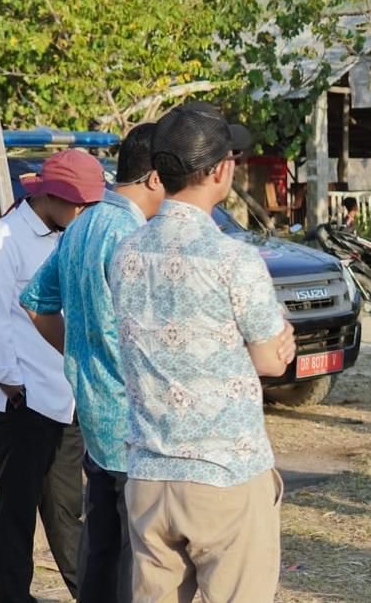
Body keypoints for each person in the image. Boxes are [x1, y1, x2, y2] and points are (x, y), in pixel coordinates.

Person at [110, 103, 297, 602]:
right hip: (225, 472)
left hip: (149, 472)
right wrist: (277, 341)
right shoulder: (234, 259)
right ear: (220, 171)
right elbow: (269, 360)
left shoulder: (125, 253)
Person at [21, 125, 166, 603]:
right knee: (132, 562)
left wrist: (80, 354)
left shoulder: (82, 223)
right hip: (135, 423)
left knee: (100, 553)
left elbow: (36, 303)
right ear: (155, 178)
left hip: (95, 415)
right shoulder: (133, 236)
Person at [0, 148, 105, 602]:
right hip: (22, 397)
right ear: (50, 195)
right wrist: (8, 382)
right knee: (16, 510)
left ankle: (89, 593)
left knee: (66, 509)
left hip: (65, 394)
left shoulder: (70, 234)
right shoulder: (2, 239)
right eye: (79, 203)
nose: (85, 212)